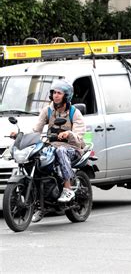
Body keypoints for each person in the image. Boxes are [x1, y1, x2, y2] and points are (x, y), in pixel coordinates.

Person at [12, 80, 86, 223]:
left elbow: (79, 136)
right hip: (51, 145)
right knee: (36, 159)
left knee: (61, 151)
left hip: (72, 148)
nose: (56, 95)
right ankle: (39, 204)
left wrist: (68, 134)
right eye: (54, 92)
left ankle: (67, 187)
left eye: (59, 93)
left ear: (66, 95)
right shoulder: (48, 110)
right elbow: (36, 130)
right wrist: (20, 135)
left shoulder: (74, 113)